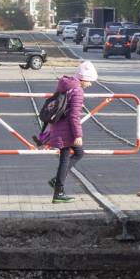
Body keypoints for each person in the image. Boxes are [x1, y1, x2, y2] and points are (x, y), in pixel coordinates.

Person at [40, 60, 97, 204]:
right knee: (72, 156)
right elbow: (74, 116)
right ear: (84, 78)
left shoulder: (66, 85)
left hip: (59, 127)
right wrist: (78, 135)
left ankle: (58, 184)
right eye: (89, 81)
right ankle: (58, 189)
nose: (90, 84)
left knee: (69, 156)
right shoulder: (77, 91)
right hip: (67, 130)